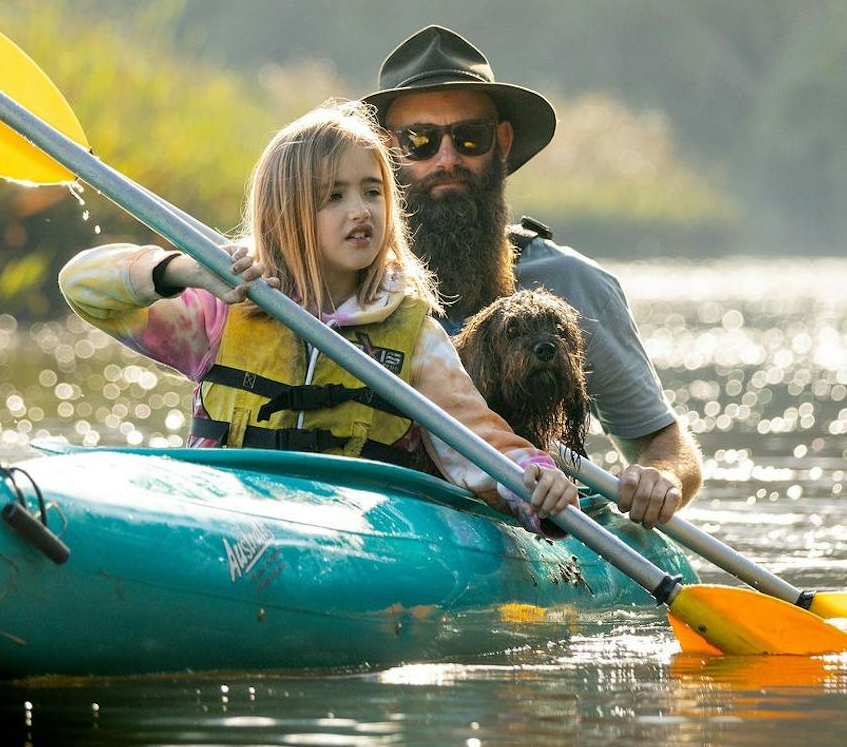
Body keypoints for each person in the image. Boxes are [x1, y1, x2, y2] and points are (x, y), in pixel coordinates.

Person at [59, 100, 579, 531]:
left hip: (352, 536)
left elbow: (480, 446)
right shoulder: (223, 307)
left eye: (372, 192)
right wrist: (186, 271)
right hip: (222, 516)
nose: (361, 211)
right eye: (334, 196)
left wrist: (537, 481)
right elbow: (82, 285)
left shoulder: (412, 332)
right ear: (283, 214)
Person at [364, 25, 704, 527]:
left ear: (501, 142)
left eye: (469, 137)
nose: (447, 158)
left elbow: (662, 441)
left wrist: (662, 476)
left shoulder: (573, 284)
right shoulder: (346, 281)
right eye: (419, 140)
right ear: (386, 152)